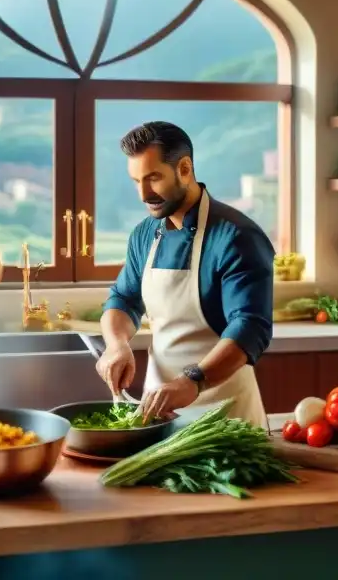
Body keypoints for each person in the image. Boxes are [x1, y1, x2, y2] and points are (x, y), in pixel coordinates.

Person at [96, 121, 275, 427]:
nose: (143, 193)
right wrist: (117, 344)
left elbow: (249, 328)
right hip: (158, 414)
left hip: (226, 415)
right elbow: (123, 299)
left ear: (184, 169)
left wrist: (192, 380)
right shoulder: (144, 234)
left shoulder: (237, 236)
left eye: (153, 178)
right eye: (136, 181)